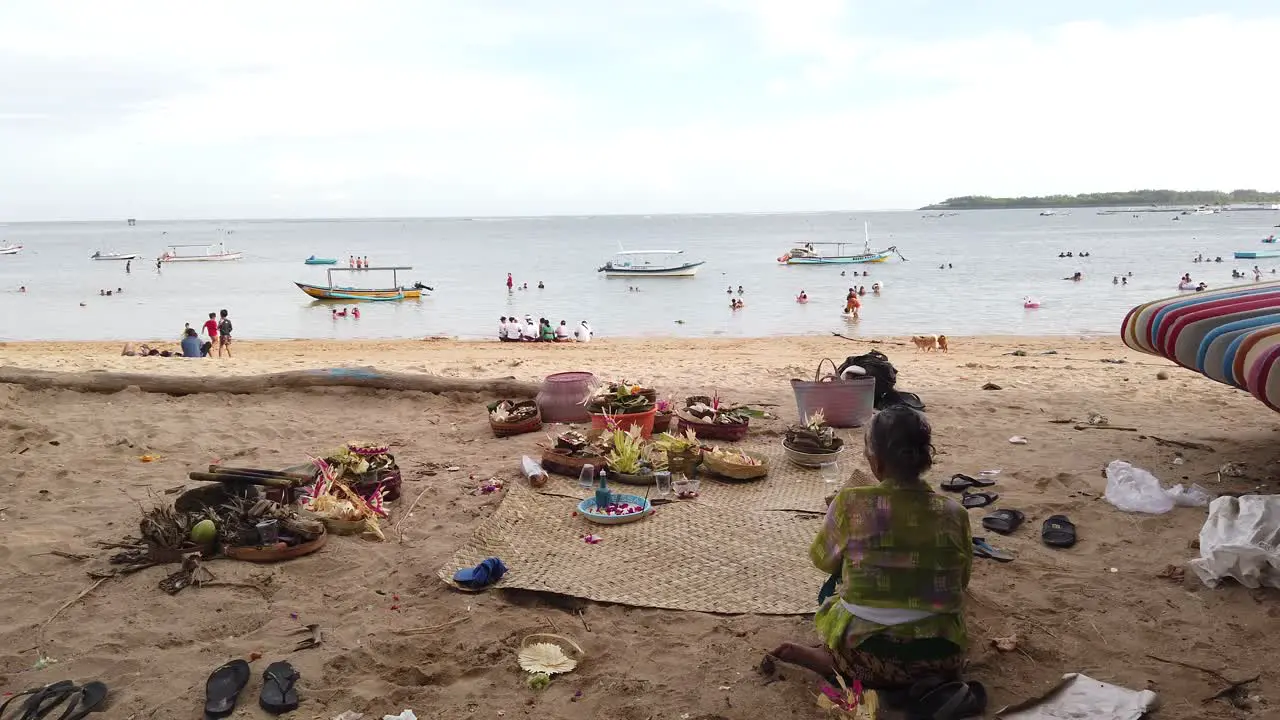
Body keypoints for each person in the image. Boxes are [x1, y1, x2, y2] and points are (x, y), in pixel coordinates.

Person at [768, 405, 970, 689]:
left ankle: (834, 661)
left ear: (876, 462)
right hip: (942, 660)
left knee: (835, 585)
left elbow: (822, 560)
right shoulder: (954, 512)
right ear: (925, 458)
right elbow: (962, 581)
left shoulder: (851, 503)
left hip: (866, 657)